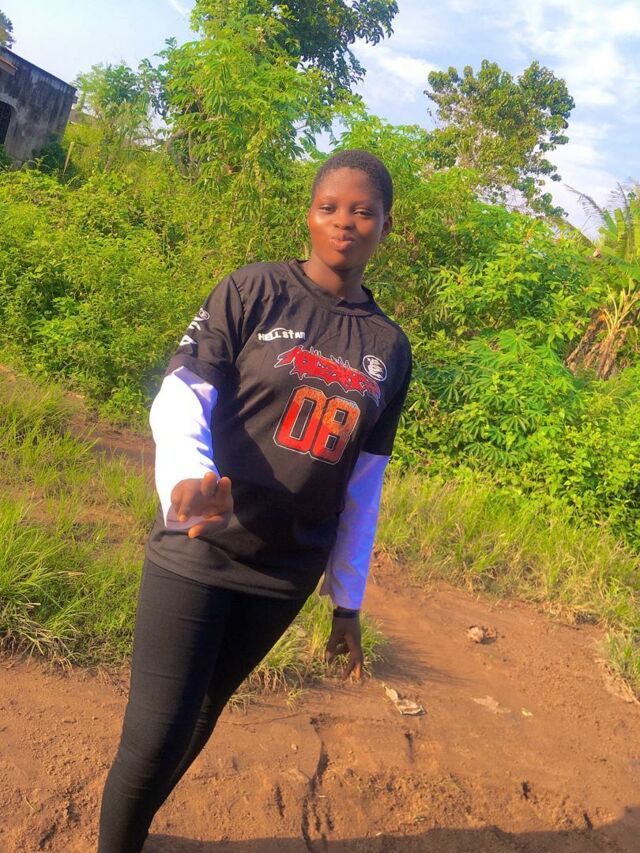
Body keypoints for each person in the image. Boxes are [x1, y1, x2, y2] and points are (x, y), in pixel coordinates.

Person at [97, 149, 412, 852]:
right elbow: (183, 392)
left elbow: (364, 483)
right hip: (201, 542)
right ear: (309, 214)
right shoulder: (254, 291)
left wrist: (347, 602)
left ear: (385, 226)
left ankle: (134, 836)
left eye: (363, 211)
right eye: (330, 207)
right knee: (154, 732)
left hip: (285, 570)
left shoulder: (389, 347)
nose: (345, 222)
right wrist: (187, 478)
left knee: (203, 711)